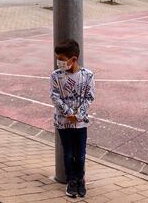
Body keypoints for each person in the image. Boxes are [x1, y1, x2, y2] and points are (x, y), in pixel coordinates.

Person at [50, 39, 95, 198]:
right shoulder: (56, 76)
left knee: (80, 154)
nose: (59, 63)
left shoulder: (87, 75)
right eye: (58, 59)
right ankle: (71, 181)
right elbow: (54, 96)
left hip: (81, 124)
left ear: (73, 59)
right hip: (63, 123)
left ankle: (80, 180)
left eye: (62, 60)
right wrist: (68, 113)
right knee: (68, 153)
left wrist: (78, 115)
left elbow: (89, 97)